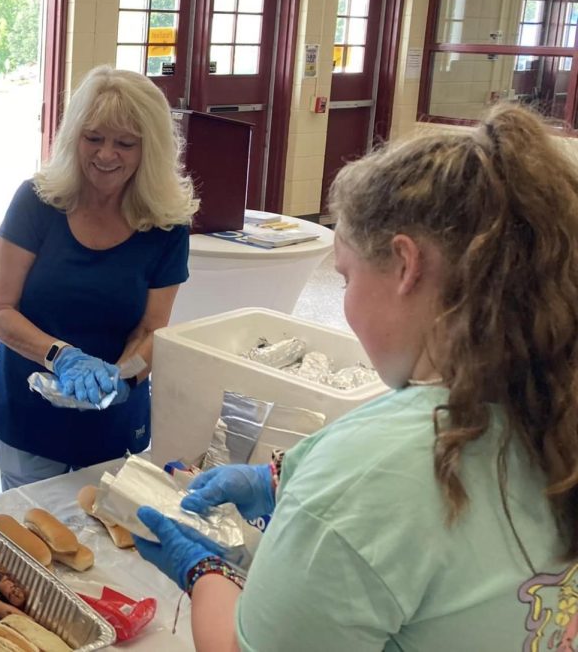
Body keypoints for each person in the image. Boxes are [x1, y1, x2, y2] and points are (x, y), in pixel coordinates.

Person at [134, 103, 578, 651]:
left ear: (405, 266)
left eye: (345, 277)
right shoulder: (554, 405)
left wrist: (203, 572)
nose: (343, 301)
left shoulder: (367, 477)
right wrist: (279, 480)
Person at [0, 66, 198, 490]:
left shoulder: (166, 223)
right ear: (72, 136)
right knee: (32, 534)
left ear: (149, 148)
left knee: (105, 531)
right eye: (93, 138)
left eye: (125, 143)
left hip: (114, 418)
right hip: (29, 411)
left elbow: (152, 328)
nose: (105, 155)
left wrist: (124, 377)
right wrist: (61, 356)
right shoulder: (39, 201)